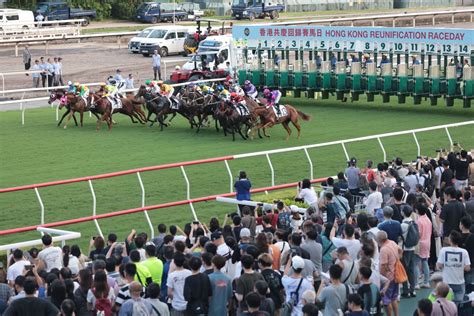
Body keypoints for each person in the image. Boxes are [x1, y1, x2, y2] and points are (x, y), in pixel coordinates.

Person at [436, 230, 471, 304]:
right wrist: (460, 267)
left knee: (445, 304)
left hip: (446, 282)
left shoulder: (443, 250)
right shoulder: (464, 252)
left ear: (450, 240)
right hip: (459, 282)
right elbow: (468, 268)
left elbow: (439, 265)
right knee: (459, 304)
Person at [377, 231, 400, 316]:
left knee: (386, 300)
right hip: (396, 275)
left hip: (388, 277)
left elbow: (383, 265)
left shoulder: (384, 249)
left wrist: (381, 276)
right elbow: (400, 250)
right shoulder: (392, 242)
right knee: (394, 298)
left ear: (379, 240)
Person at [400, 205, 419, 298]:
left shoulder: (403, 225)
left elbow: (400, 238)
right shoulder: (413, 223)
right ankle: (413, 289)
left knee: (403, 270)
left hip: (405, 249)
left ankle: (405, 290)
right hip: (412, 248)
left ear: (403, 213)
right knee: (411, 270)